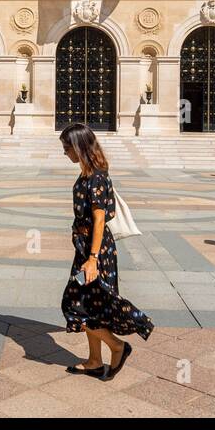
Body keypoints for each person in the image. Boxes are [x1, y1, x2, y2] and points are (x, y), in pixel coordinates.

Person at [59, 123, 153, 381]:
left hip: (96, 251)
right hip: (87, 248)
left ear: (78, 146)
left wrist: (92, 259)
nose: (65, 152)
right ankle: (94, 361)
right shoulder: (87, 173)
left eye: (67, 147)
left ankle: (117, 346)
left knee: (74, 305)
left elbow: (99, 220)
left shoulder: (97, 176)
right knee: (91, 305)